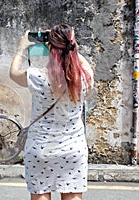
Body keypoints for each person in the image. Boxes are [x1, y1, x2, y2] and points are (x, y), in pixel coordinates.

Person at [9, 24, 94, 200]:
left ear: (50, 47)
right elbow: (80, 61)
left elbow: (13, 74)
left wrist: (21, 48)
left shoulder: (37, 76)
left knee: (40, 195)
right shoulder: (84, 77)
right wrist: (70, 43)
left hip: (41, 147)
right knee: (73, 196)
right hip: (73, 148)